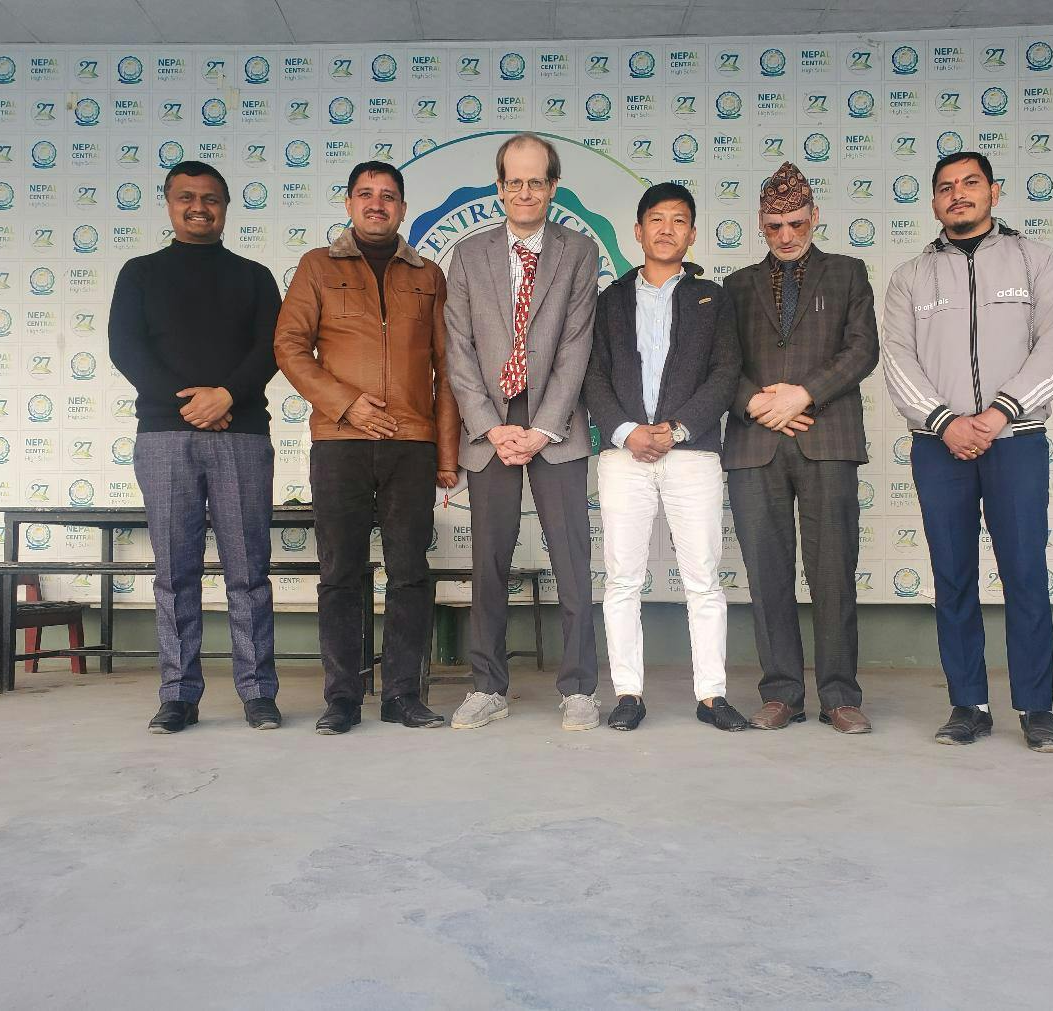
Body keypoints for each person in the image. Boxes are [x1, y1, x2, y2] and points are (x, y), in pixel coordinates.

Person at [881, 151, 1053, 753]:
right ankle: (968, 703)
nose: (957, 195)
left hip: (1015, 441)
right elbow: (899, 359)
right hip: (939, 447)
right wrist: (945, 423)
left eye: (969, 184)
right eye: (945, 188)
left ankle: (1036, 709)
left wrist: (998, 414)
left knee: (1024, 575)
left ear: (994, 190)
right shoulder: (911, 276)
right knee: (954, 577)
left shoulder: (1034, 260)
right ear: (934, 201)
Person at [275, 161, 460, 734]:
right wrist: (344, 402)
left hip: (411, 443)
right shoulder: (317, 267)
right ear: (349, 203)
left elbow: (447, 369)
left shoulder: (427, 274)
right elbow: (289, 345)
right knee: (340, 574)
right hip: (340, 440)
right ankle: (343, 698)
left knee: (409, 573)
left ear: (403, 208)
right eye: (366, 194)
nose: (377, 204)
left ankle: (404, 694)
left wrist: (447, 454)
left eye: (388, 196)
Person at [109, 160, 282, 733]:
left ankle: (258, 691)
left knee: (248, 571)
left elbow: (271, 349)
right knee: (174, 572)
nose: (198, 207)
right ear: (169, 204)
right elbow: (126, 349)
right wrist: (191, 404)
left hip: (242, 437)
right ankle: (178, 694)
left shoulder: (255, 276)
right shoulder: (139, 273)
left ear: (226, 207)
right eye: (186, 198)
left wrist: (226, 394)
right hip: (164, 436)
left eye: (210, 198)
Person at [442, 133, 600, 731]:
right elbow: (457, 351)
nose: (526, 191)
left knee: (571, 560)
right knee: (489, 562)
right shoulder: (468, 254)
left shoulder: (578, 253)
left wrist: (542, 427)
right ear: (499, 187)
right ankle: (488, 686)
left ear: (553, 187)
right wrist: (490, 426)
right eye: (515, 181)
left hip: (554, 426)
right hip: (490, 428)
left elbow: (576, 346)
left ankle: (579, 687)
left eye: (537, 181)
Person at [723, 161, 880, 734]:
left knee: (833, 572)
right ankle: (781, 693)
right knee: (767, 574)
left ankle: (840, 695)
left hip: (827, 439)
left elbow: (862, 351)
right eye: (773, 225)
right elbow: (723, 365)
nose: (786, 235)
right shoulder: (736, 286)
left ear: (815, 217)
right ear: (760, 225)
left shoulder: (847, 273)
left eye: (795, 222)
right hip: (753, 444)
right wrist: (757, 404)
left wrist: (804, 395)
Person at [583, 182, 744, 732]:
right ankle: (628, 693)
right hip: (624, 454)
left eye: (679, 220)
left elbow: (726, 374)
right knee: (623, 579)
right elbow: (593, 375)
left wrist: (675, 430)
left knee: (702, 578)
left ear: (692, 234)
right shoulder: (609, 301)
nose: (667, 229)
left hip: (692, 452)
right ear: (638, 231)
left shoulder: (713, 299)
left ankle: (712, 696)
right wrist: (628, 431)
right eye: (656, 219)